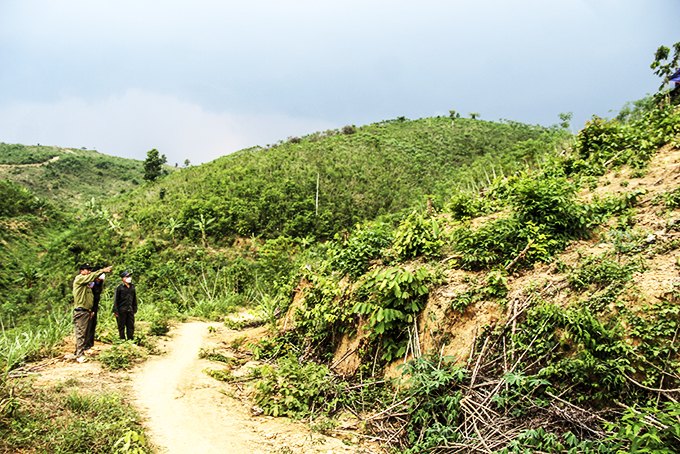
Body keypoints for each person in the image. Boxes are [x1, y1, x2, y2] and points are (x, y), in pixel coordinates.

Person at [72, 263, 112, 361]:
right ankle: (79, 355)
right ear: (82, 271)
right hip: (81, 311)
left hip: (87, 311)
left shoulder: (86, 284)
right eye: (87, 270)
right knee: (81, 333)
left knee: (86, 333)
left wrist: (91, 311)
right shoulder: (80, 279)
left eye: (90, 270)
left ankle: (81, 351)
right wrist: (102, 271)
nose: (89, 271)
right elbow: (90, 277)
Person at [112, 271, 137, 340]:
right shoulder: (119, 288)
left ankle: (130, 339)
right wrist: (116, 311)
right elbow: (115, 300)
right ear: (123, 278)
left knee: (130, 325)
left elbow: (134, 298)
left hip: (130, 309)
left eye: (129, 276)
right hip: (121, 310)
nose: (129, 278)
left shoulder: (132, 287)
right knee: (121, 326)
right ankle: (122, 339)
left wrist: (135, 308)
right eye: (127, 277)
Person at [84, 270, 105, 351]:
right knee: (88, 326)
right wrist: (91, 310)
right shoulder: (92, 284)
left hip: (95, 306)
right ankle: (86, 344)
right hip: (90, 307)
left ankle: (91, 343)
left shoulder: (100, 283)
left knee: (93, 325)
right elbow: (90, 297)